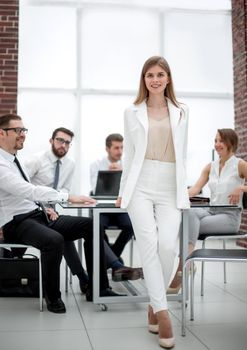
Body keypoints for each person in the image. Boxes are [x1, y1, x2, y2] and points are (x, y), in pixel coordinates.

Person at [0, 114, 123, 313]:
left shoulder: (16, 161)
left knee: (92, 225)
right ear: (2, 133)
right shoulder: (3, 164)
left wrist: (45, 207)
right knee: (55, 240)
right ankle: (52, 296)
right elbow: (27, 190)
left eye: (24, 130)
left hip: (37, 213)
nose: (23, 135)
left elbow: (28, 191)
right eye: (18, 131)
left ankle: (98, 288)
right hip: (16, 222)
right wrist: (68, 197)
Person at [116, 56, 190, 349]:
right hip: (141, 183)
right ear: (143, 80)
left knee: (168, 246)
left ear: (168, 79)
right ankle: (163, 312)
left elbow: (182, 154)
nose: (155, 79)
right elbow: (129, 155)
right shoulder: (132, 111)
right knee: (147, 242)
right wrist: (124, 190)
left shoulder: (182, 111)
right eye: (150, 75)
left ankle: (152, 302)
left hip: (170, 182)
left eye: (160, 74)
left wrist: (184, 189)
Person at [25, 128, 142, 288]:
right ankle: (98, 273)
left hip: (53, 213)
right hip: (34, 211)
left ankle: (95, 274)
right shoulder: (36, 160)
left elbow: (64, 189)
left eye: (67, 142)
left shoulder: (69, 164)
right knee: (70, 233)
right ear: (51, 140)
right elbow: (23, 189)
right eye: (60, 140)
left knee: (86, 228)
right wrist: (42, 207)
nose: (63, 145)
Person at [168, 128, 247, 293]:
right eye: (215, 141)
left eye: (221, 141)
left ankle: (183, 265)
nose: (217, 144)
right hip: (211, 212)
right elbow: (195, 189)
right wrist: (174, 197)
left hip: (229, 217)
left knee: (186, 224)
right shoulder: (210, 166)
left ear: (231, 143)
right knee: (188, 213)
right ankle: (187, 263)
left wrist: (241, 187)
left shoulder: (239, 165)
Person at [90, 133, 135, 259]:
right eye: (116, 148)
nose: (120, 151)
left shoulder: (128, 166)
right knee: (96, 227)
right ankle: (115, 261)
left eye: (121, 147)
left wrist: (122, 173)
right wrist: (109, 175)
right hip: (102, 208)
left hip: (121, 208)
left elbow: (132, 189)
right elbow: (95, 190)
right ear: (107, 149)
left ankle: (111, 258)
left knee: (132, 226)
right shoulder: (96, 165)